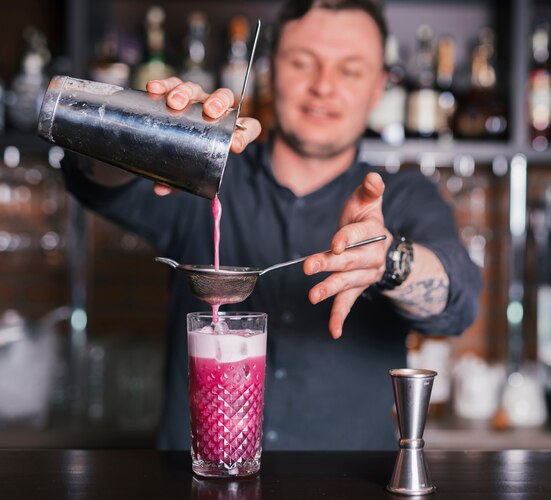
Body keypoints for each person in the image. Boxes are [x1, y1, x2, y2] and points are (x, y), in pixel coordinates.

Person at [61, 0, 481, 450]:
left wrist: (390, 261)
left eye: (350, 70)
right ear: (271, 71)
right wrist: (148, 133)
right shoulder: (201, 171)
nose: (323, 86)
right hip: (198, 484)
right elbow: (94, 182)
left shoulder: (405, 197)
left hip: (350, 484)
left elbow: (458, 302)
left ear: (379, 88)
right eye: (303, 62)